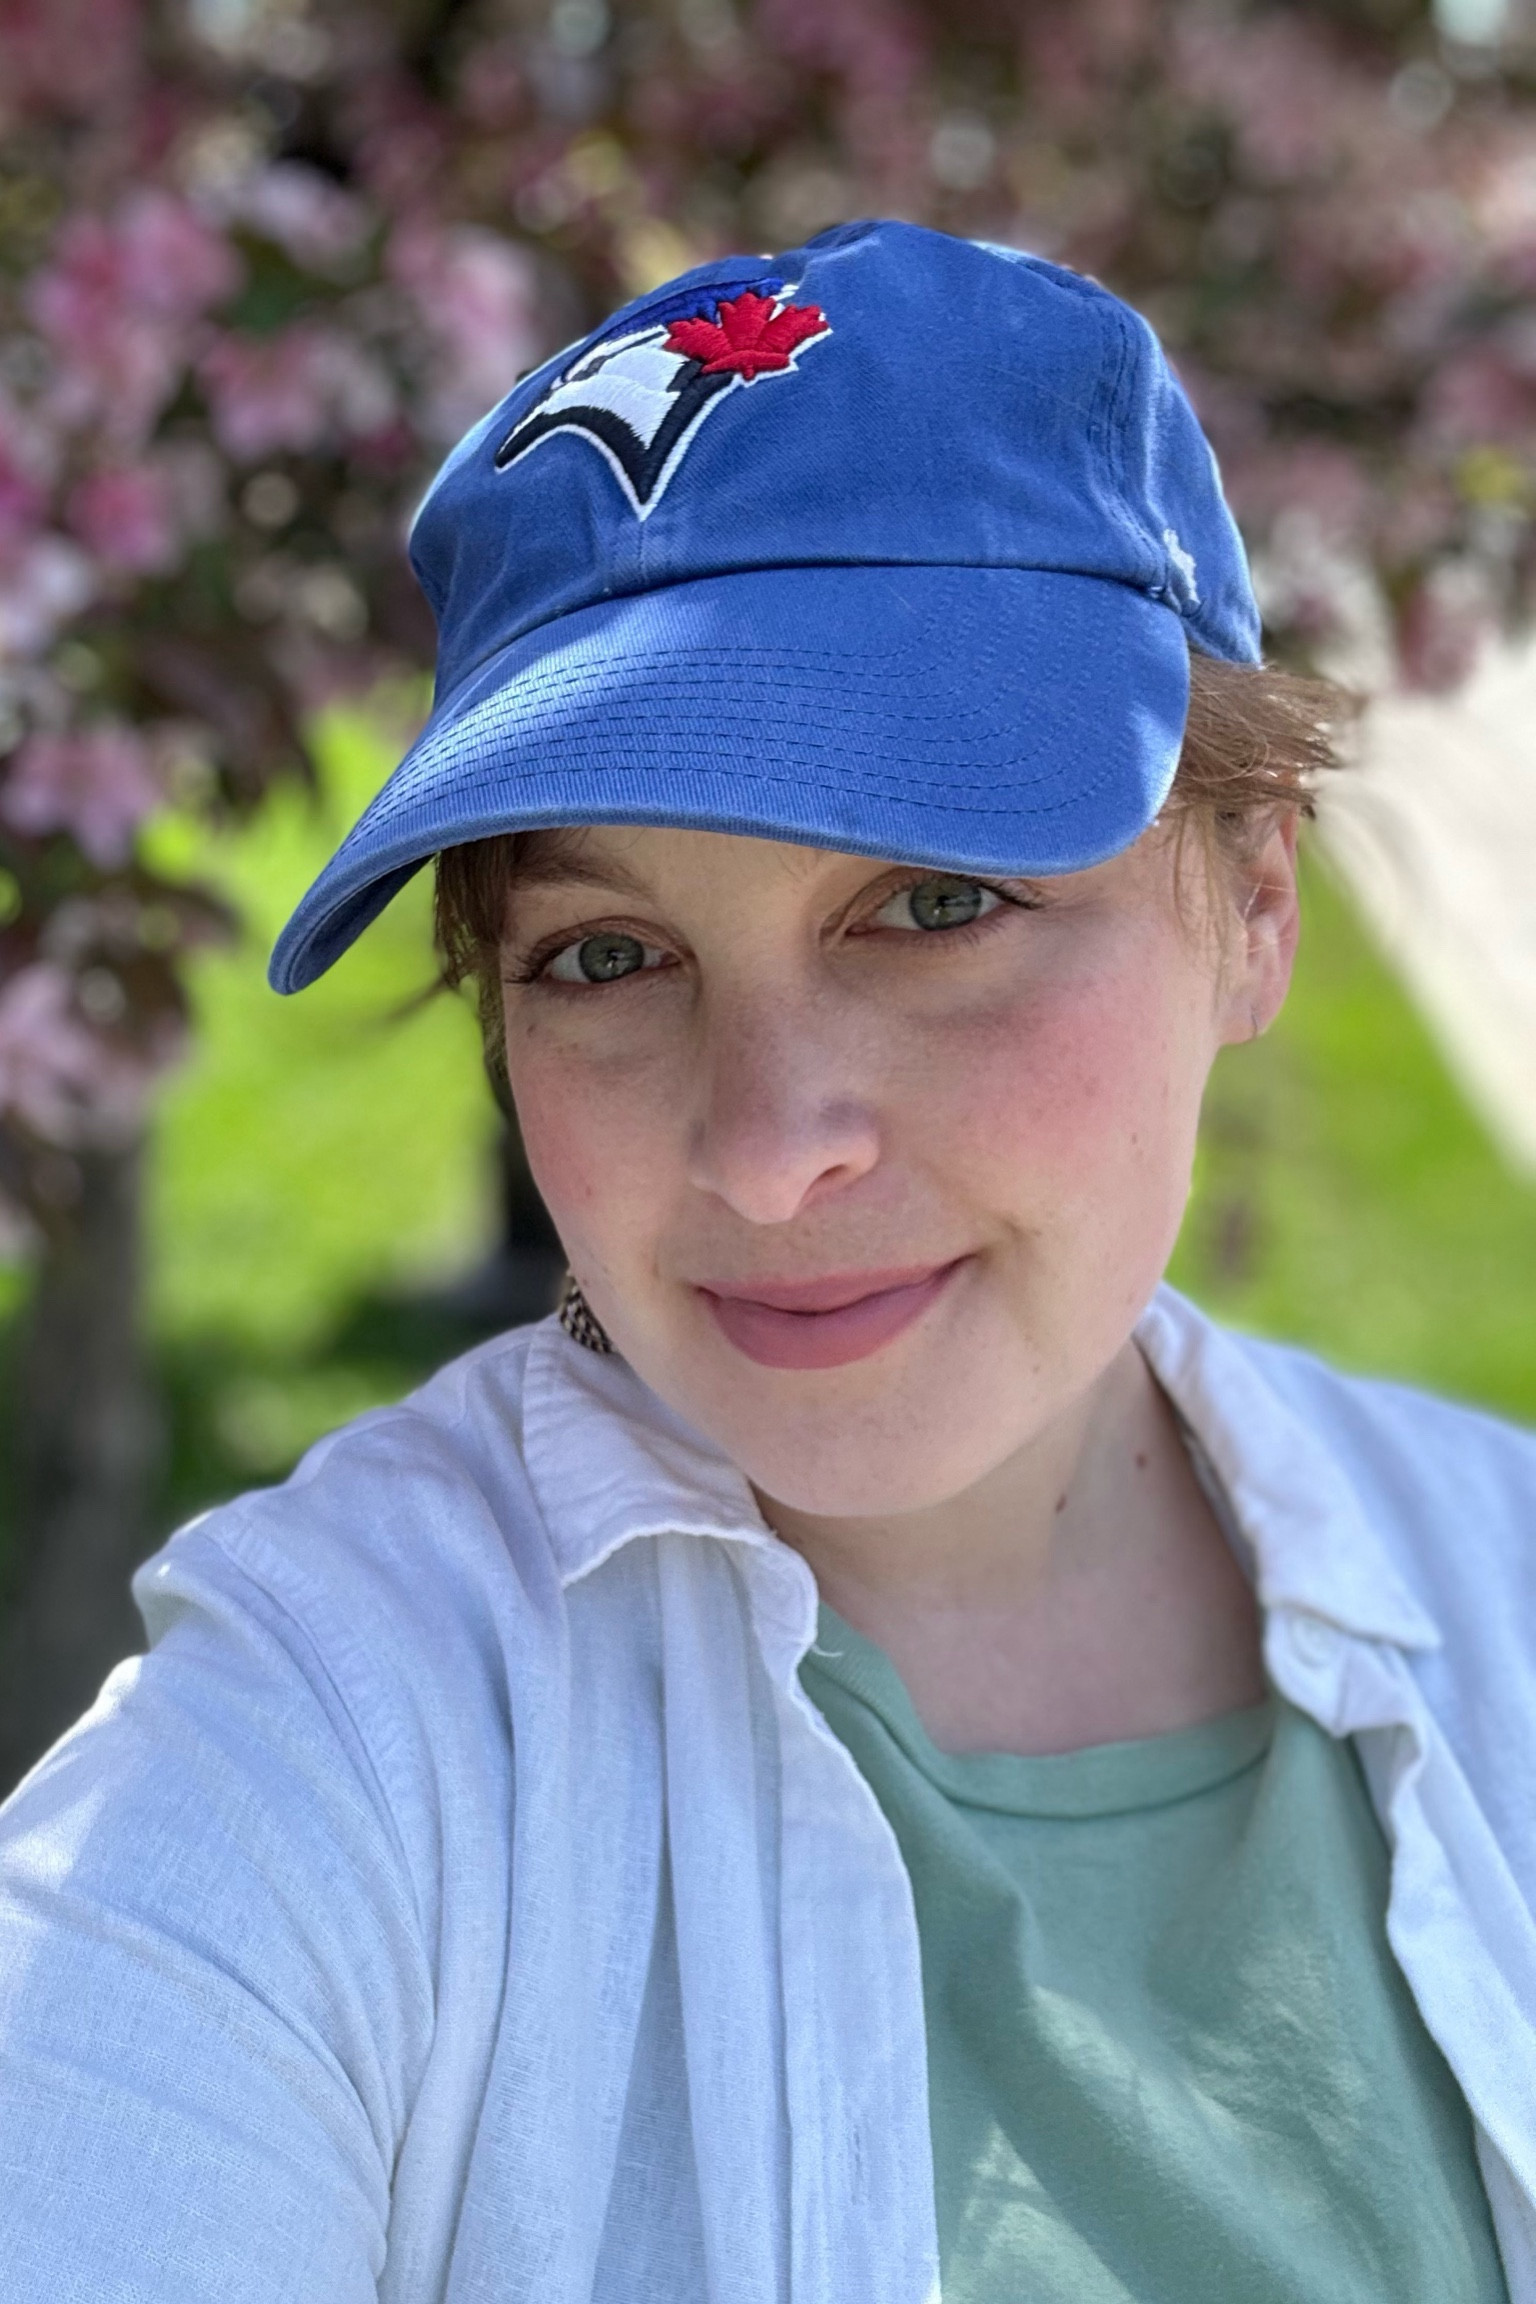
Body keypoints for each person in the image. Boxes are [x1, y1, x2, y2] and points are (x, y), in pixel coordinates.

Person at [0, 220, 1532, 2304]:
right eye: (605, 956)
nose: (770, 1147)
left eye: (938, 901)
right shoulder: (323, 1750)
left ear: (1256, 900)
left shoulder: (1505, 1591)